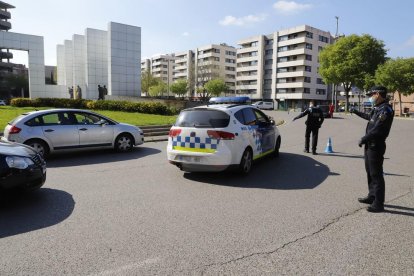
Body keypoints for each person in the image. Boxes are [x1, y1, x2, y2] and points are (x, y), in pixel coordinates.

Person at [350, 86, 394, 213]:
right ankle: (372, 196)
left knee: (376, 174)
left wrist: (364, 138)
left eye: (372, 94)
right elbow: (369, 117)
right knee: (369, 172)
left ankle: (379, 204)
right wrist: (356, 111)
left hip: (376, 145)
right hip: (370, 144)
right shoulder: (378, 108)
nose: (371, 96)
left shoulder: (386, 109)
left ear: (379, 94)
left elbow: (379, 129)